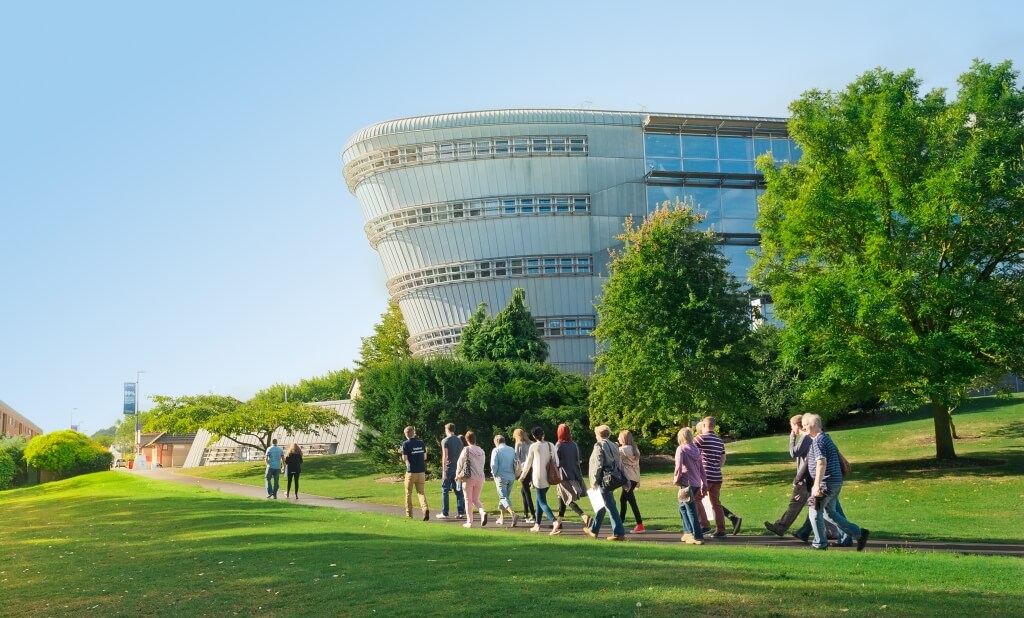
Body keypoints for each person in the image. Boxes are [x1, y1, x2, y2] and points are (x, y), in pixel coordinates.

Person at [803, 413, 870, 551]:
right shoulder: (826, 438)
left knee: (814, 512)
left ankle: (819, 544)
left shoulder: (818, 441)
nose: (803, 428)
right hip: (835, 481)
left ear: (814, 425)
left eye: (805, 425)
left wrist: (816, 485)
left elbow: (821, 463)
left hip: (826, 483)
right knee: (830, 513)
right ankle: (859, 533)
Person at [694, 417, 742, 537]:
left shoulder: (700, 438)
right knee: (716, 502)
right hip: (717, 475)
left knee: (696, 499)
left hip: (705, 475)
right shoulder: (719, 441)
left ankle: (704, 525)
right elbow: (723, 458)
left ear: (704, 425)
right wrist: (716, 467)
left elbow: (692, 451)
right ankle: (721, 529)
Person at [585, 425, 626, 541]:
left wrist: (594, 480)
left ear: (598, 434)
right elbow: (619, 463)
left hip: (604, 479)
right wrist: (625, 479)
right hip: (613, 478)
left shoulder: (599, 445)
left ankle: (619, 533)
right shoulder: (614, 445)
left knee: (610, 505)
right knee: (602, 504)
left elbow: (598, 464)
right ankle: (593, 530)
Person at [518, 426, 559, 533]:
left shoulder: (533, 446)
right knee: (539, 500)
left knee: (542, 502)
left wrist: (522, 476)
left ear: (533, 436)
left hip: (538, 477)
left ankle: (554, 521)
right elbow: (557, 461)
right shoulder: (551, 445)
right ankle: (537, 524)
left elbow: (528, 463)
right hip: (549, 477)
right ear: (543, 433)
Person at [554, 423, 590, 534]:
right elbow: (577, 460)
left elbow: (556, 461)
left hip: (563, 476)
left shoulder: (559, 445)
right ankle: (558, 524)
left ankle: (583, 516)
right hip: (574, 474)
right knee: (561, 498)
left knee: (567, 499)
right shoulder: (574, 445)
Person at [674, 426, 707, 545]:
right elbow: (702, 469)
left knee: (690, 509)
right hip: (696, 483)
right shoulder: (697, 450)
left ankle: (697, 536)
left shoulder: (681, 449)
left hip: (686, 483)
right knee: (682, 507)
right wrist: (704, 483)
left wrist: (676, 479)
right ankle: (687, 532)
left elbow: (678, 466)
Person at [456, 431, 488, 528]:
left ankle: (469, 522)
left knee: (468, 500)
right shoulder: (482, 451)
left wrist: (457, 475)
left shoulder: (466, 450)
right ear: (475, 439)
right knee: (475, 499)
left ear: (466, 440)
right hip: (480, 477)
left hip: (469, 477)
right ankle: (482, 512)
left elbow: (460, 463)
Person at [617, 430, 645, 534]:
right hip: (634, 478)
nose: (618, 439)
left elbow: (614, 457)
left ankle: (639, 524)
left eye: (619, 437)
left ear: (623, 439)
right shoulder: (635, 450)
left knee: (631, 501)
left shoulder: (622, 450)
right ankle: (621, 521)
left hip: (627, 479)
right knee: (624, 499)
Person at [436, 423, 466, 520]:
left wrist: (443, 470)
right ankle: (461, 512)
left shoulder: (445, 440)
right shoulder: (459, 441)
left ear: (447, 429)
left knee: (445, 490)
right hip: (458, 468)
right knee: (458, 490)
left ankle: (445, 512)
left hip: (449, 468)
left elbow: (445, 456)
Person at [400, 426, 429, 521]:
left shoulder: (405, 444)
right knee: (421, 492)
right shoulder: (421, 443)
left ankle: (409, 514)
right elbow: (425, 457)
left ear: (405, 434)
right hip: (421, 471)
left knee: (408, 493)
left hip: (411, 471)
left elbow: (404, 458)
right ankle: (425, 509)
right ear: (414, 433)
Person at [490, 434, 518, 526]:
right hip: (511, 476)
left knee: (503, 498)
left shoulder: (496, 450)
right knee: (505, 498)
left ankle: (513, 513)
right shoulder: (511, 449)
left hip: (501, 476)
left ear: (496, 441)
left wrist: (494, 474)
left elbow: (493, 465)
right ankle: (501, 518)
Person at [513, 428, 537, 524]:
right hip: (531, 468)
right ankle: (525, 513)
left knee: (527, 492)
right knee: (523, 491)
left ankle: (533, 514)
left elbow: (516, 458)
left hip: (523, 469)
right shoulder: (531, 443)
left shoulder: (518, 444)